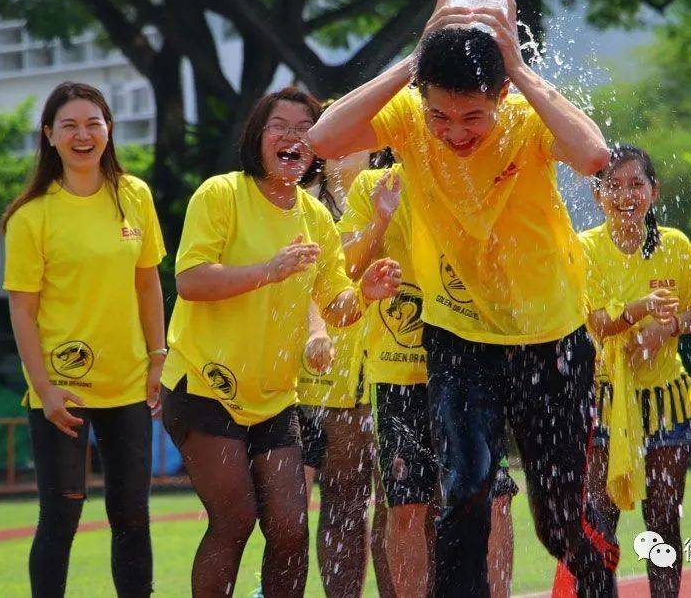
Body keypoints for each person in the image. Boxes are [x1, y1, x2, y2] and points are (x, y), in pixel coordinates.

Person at [307, 0, 618, 596]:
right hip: (458, 335)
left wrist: (520, 70)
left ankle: (594, 578)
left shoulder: (525, 121)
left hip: (549, 338)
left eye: (473, 116)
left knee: (557, 520)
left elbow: (593, 156)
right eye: (440, 115)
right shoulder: (408, 118)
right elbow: (322, 140)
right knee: (467, 484)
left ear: (499, 97)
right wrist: (414, 61)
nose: (454, 133)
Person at [159, 87, 401, 598]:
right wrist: (266, 272)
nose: (292, 137)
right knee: (235, 519)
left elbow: (336, 307)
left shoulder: (316, 220)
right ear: (257, 136)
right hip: (205, 385)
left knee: (291, 527)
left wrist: (367, 293)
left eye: (303, 130)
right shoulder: (221, 193)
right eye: (279, 126)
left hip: (273, 397)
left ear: (318, 146)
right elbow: (191, 280)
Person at [2, 82, 166, 598]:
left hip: (128, 383)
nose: (82, 135)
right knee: (62, 515)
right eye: (69, 125)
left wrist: (157, 357)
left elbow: (147, 281)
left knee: (132, 517)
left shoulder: (134, 196)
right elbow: (22, 310)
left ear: (109, 130)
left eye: (93, 123)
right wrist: (45, 388)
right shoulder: (31, 217)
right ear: (49, 136)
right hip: (61, 391)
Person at [339, 162, 518, 597]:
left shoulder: (473, 176)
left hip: (468, 362)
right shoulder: (373, 184)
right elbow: (345, 265)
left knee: (495, 498)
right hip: (399, 369)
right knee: (406, 506)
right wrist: (382, 218)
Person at [582, 145, 691, 598]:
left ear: (654, 191)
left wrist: (667, 327)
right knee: (599, 521)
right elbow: (597, 322)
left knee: (663, 519)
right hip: (605, 401)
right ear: (598, 195)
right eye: (613, 185)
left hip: (666, 401)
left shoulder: (675, 245)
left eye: (636, 183)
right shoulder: (585, 248)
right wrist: (639, 313)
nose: (625, 194)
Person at [296, 149, 385, 597]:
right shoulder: (304, 205)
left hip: (393, 364)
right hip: (328, 374)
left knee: (400, 501)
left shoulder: (393, 189)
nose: (343, 149)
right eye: (334, 139)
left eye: (355, 138)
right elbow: (325, 272)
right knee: (342, 498)